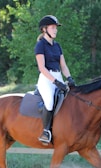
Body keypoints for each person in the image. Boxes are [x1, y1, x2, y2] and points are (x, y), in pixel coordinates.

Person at [34, 15, 76, 144]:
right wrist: (55, 82)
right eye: (53, 28)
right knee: (50, 102)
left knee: (70, 99)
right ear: (44, 29)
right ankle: (46, 132)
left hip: (58, 76)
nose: (55, 30)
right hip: (46, 79)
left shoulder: (57, 46)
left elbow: (63, 65)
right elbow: (42, 68)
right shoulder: (40, 45)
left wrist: (69, 78)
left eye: (56, 28)